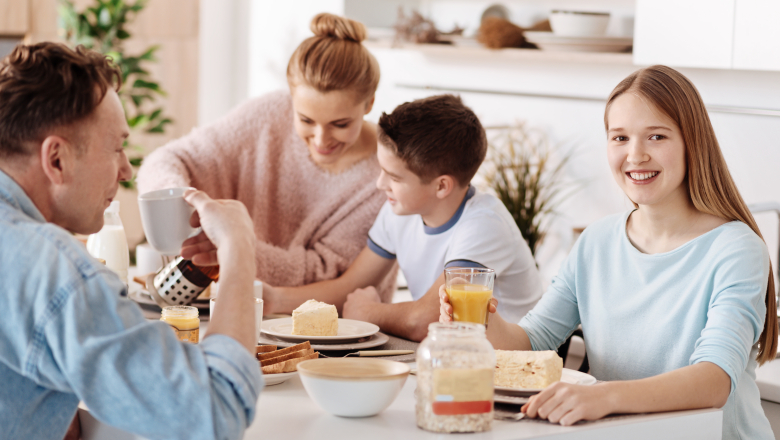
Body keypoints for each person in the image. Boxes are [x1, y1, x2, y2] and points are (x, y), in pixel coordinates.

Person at [439, 65, 778, 439]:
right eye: (619, 138)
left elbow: (715, 381)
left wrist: (602, 396)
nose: (635, 155)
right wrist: (482, 324)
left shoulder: (735, 248)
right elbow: (531, 342)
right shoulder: (596, 241)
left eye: (657, 136)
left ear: (692, 142)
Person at [0, 42, 262, 440]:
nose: (125, 170)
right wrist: (239, 247)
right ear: (56, 159)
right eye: (118, 148)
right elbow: (212, 415)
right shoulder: (58, 274)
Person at [137, 13, 395, 296]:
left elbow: (325, 275)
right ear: (292, 99)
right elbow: (168, 160)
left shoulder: (385, 175)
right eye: (306, 120)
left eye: (340, 124)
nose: (321, 139)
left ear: (369, 103)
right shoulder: (269, 115)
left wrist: (234, 245)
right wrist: (177, 202)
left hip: (336, 330)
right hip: (241, 310)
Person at [266, 95, 543, 342]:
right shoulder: (401, 210)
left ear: (441, 186)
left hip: (511, 369)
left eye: (395, 177)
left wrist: (367, 311)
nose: (379, 184)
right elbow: (350, 286)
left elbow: (424, 320)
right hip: (456, 355)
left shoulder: (484, 225)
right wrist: (273, 299)